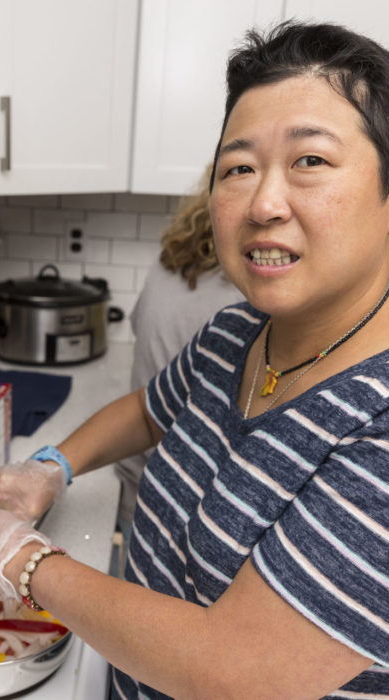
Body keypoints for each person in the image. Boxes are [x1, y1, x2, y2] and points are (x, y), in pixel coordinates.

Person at [0, 21, 389, 699]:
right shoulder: (240, 329)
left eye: (310, 161)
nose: (263, 202)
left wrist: (17, 558)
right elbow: (147, 409)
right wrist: (48, 468)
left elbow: (233, 670)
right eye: (238, 168)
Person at [115, 165, 244, 544]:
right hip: (187, 495)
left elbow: (140, 325)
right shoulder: (245, 292)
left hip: (135, 468)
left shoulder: (169, 256)